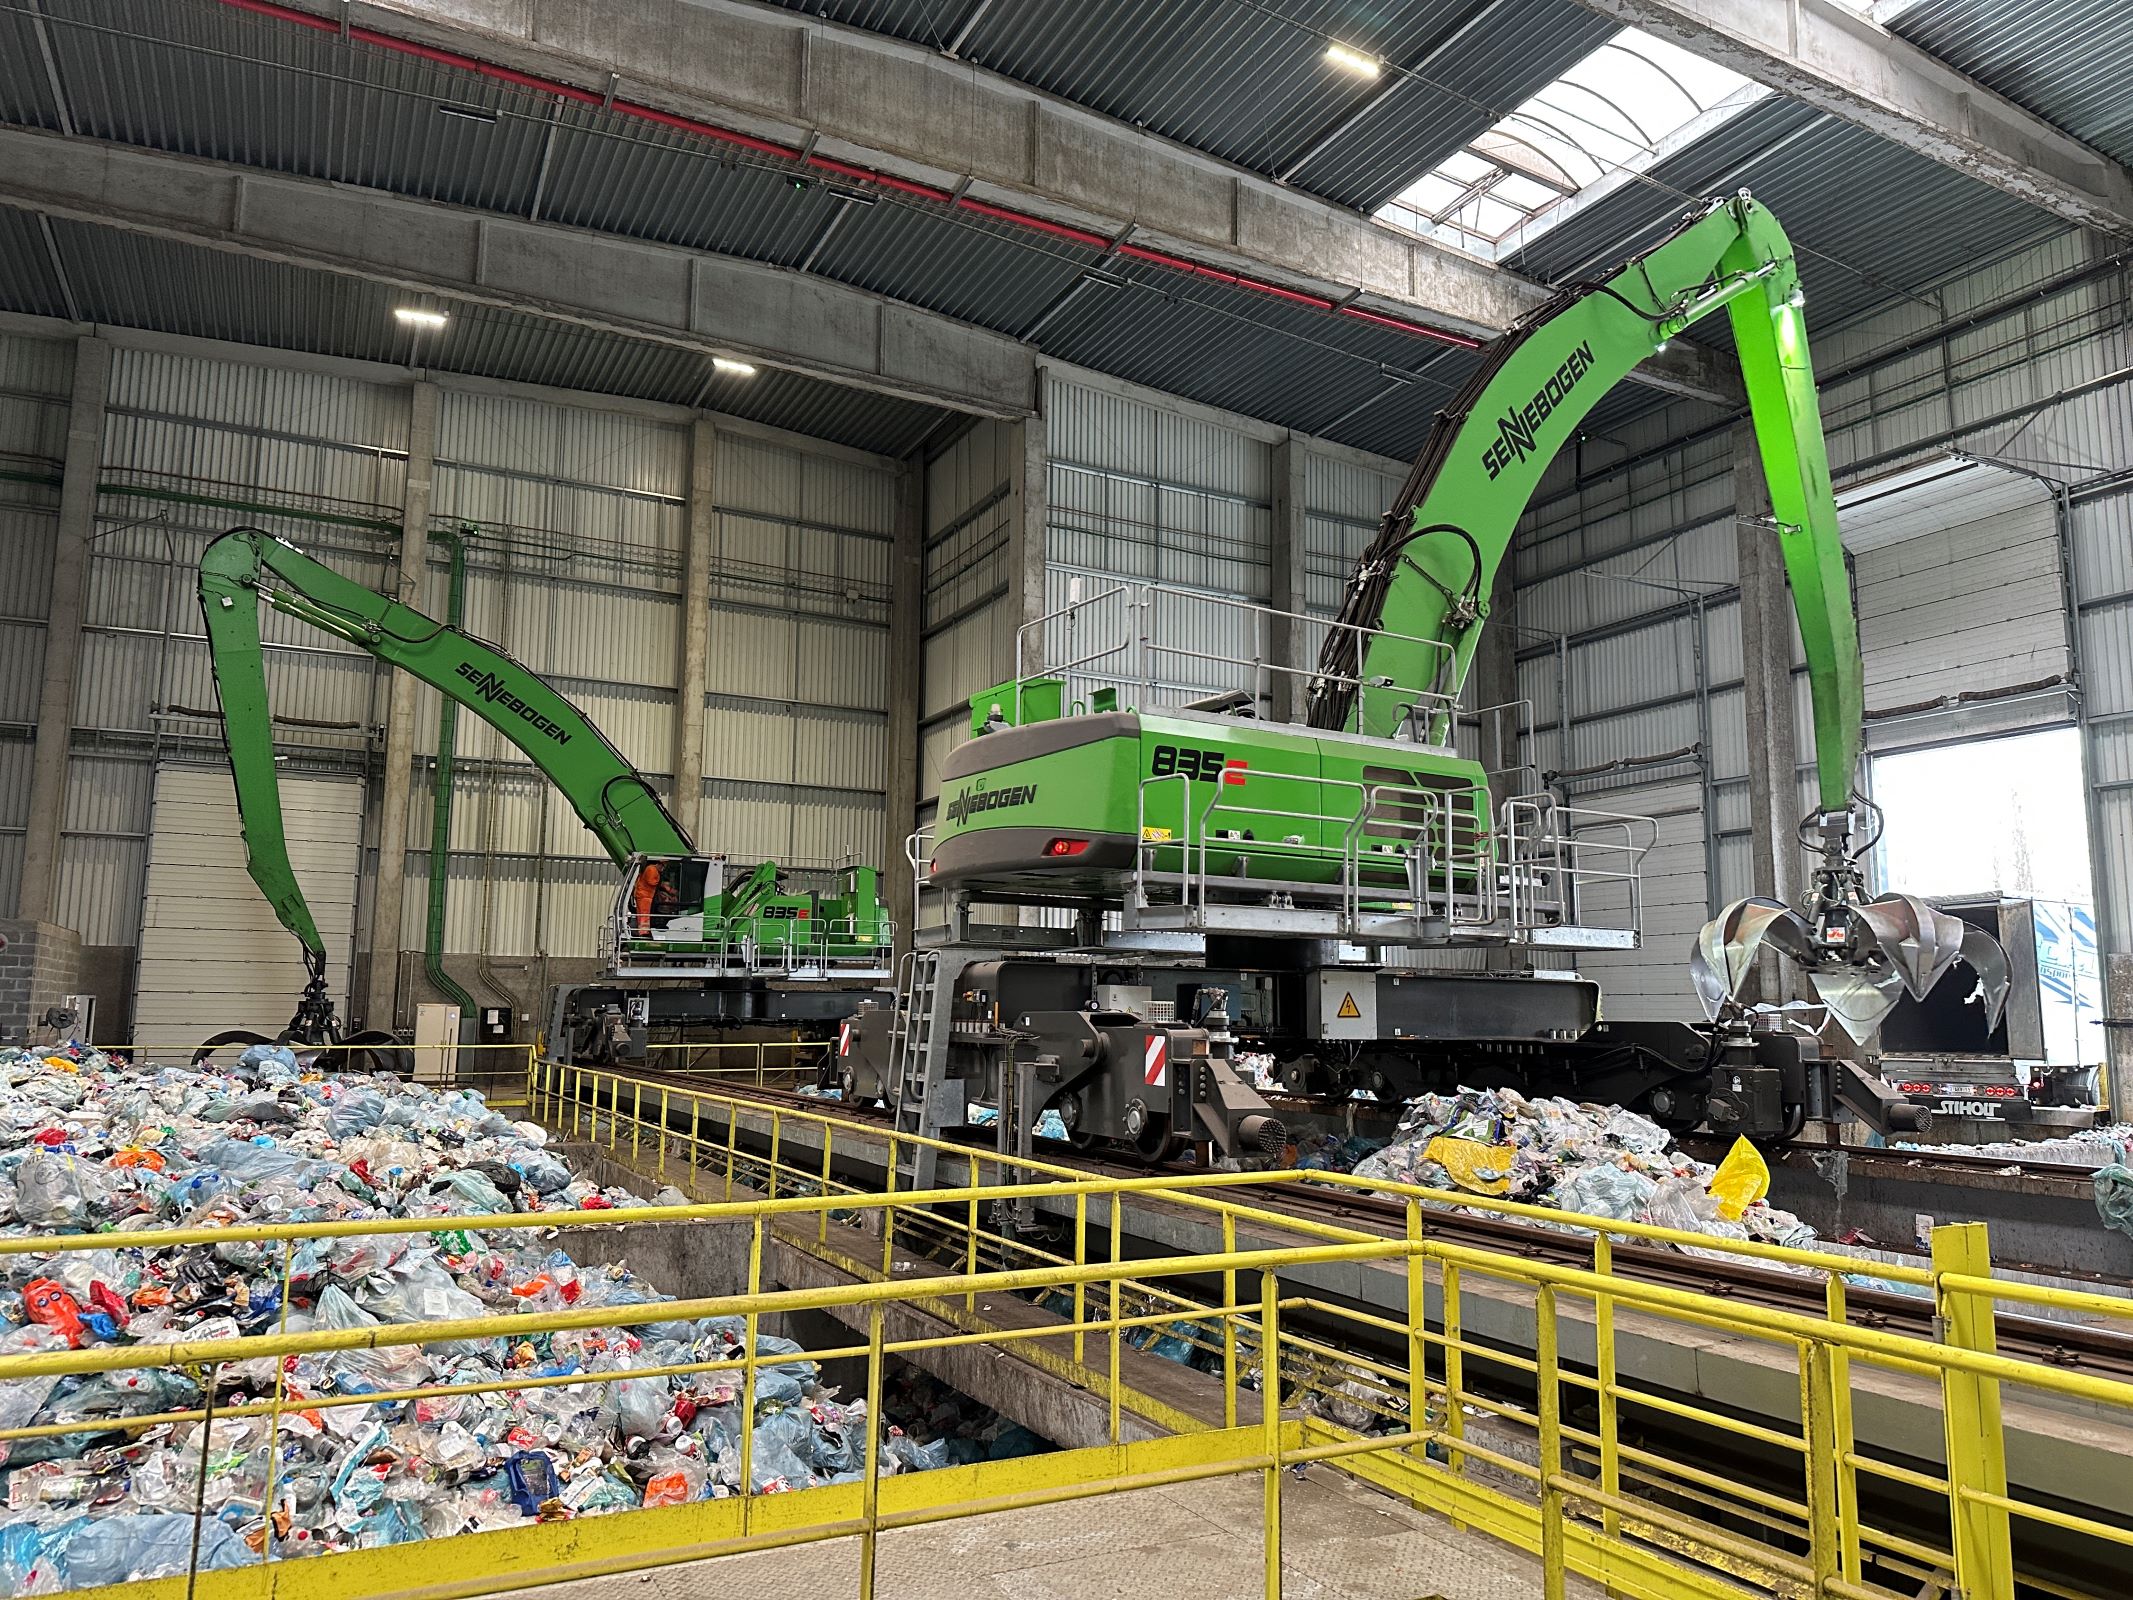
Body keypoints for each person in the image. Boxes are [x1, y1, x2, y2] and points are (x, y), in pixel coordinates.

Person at [631, 862, 662, 939]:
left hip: (643, 895)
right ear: (659, 864)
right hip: (645, 896)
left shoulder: (650, 869)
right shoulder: (652, 869)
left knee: (642, 914)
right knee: (645, 914)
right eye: (663, 866)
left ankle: (642, 931)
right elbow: (652, 882)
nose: (663, 869)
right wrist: (659, 880)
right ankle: (644, 932)